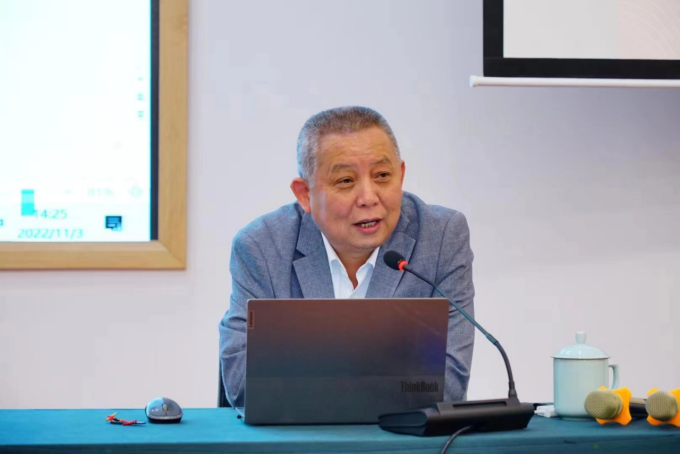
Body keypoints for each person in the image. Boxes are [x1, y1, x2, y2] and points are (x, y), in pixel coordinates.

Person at [219, 106, 475, 408]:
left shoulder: (441, 237)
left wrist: (312, 375)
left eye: (382, 176)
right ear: (305, 194)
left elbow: (449, 384)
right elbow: (242, 384)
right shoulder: (262, 247)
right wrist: (389, 374)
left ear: (401, 175)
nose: (368, 198)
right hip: (300, 435)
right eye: (345, 181)